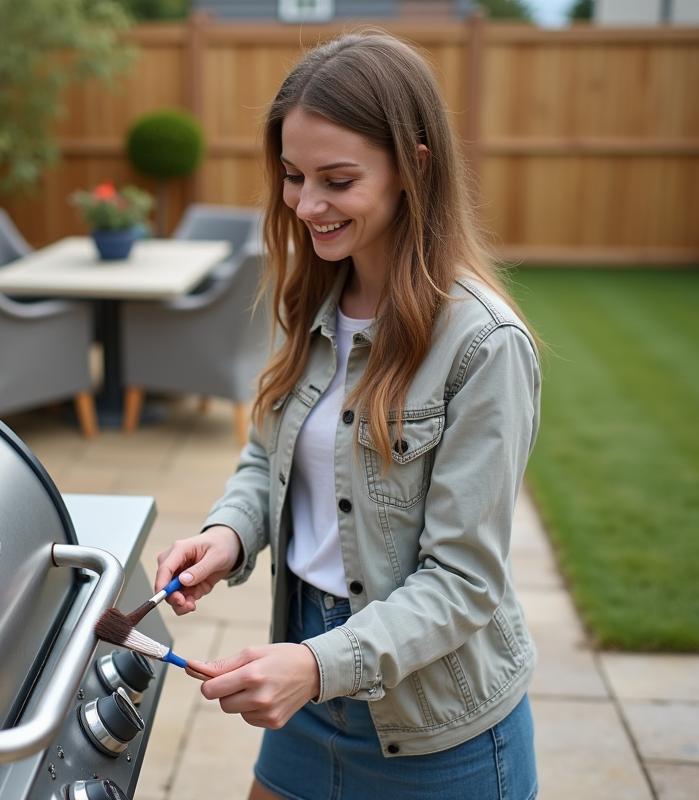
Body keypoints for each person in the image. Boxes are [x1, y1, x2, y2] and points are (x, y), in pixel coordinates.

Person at [154, 30, 542, 800]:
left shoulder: (484, 346)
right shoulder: (315, 296)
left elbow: (465, 581)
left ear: (413, 168)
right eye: (294, 177)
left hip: (438, 723)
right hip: (309, 673)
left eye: (337, 180)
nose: (305, 205)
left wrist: (317, 665)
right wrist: (229, 535)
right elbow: (269, 455)